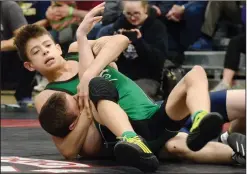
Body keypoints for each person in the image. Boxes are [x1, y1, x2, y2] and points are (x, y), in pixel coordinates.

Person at [14, 3, 227, 171]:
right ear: (29, 65)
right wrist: (88, 98)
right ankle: (131, 139)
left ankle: (202, 121)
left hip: (153, 113)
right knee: (98, 87)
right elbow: (68, 150)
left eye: (47, 45)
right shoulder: (49, 95)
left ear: (57, 47)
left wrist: (87, 69)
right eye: (36, 52)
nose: (45, 52)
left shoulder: (78, 51)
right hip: (122, 127)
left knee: (196, 73)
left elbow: (121, 40)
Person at [1, 1, 35, 108]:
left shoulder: (9, 7)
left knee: (29, 51)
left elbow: (24, 38)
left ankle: (23, 94)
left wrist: (2, 45)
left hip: (9, 60)